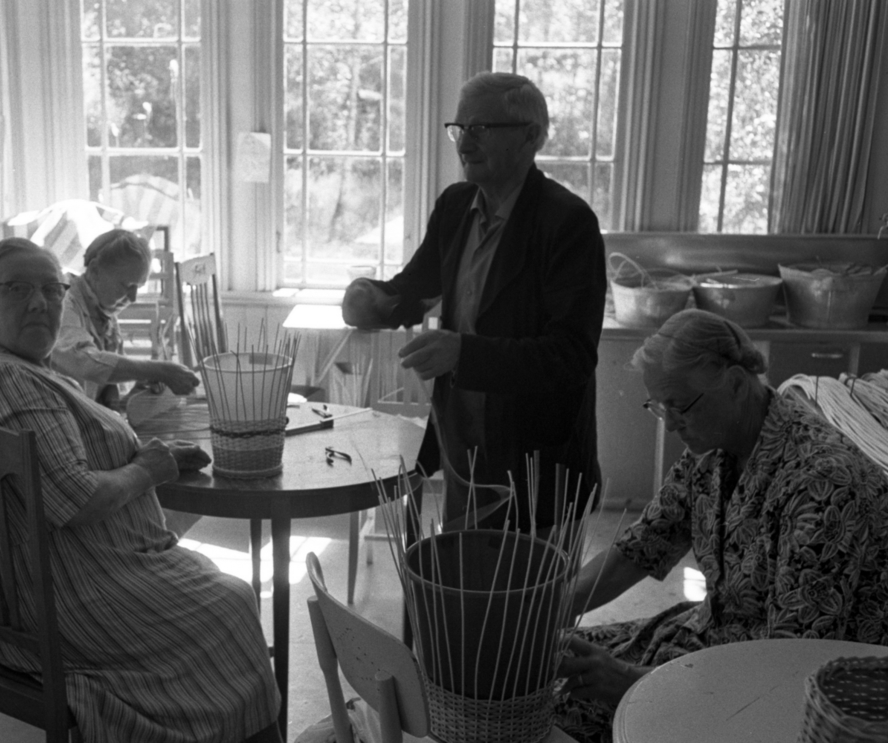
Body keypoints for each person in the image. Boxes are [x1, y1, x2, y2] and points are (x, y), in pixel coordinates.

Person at [0, 237, 281, 743]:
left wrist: (143, 455)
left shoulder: (1, 367)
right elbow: (78, 498)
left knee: (222, 591)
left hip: (39, 585)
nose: (39, 303)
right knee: (230, 604)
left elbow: (61, 461)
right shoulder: (8, 380)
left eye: (51, 290)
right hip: (60, 604)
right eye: (17, 289)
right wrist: (146, 470)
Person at [555, 309, 888, 743]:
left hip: (772, 694)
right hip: (712, 637)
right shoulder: (714, 451)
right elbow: (640, 548)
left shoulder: (823, 486)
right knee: (548, 674)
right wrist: (547, 612)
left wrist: (627, 681)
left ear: (734, 383)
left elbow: (787, 667)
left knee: (570, 711)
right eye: (660, 407)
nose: (670, 424)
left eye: (679, 406)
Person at [341, 71, 607, 535]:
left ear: (531, 137)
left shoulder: (567, 223)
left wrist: (463, 354)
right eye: (460, 129)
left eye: (481, 129)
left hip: (537, 463)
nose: (464, 143)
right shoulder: (455, 206)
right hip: (463, 448)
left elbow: (571, 356)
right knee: (465, 575)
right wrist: (374, 298)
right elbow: (416, 287)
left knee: (532, 583)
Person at [51, 228, 198, 409]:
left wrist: (135, 390)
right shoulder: (64, 304)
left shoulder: (105, 312)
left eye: (138, 288)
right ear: (95, 270)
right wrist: (157, 370)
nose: (133, 298)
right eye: (127, 285)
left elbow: (107, 389)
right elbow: (85, 362)